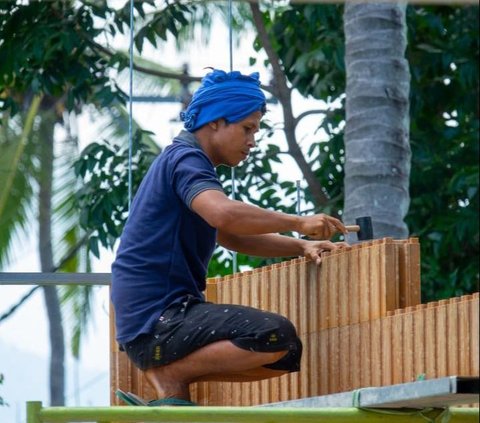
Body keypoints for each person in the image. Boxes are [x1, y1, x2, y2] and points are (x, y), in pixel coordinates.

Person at [111, 69, 348, 406]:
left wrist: (301, 245)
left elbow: (229, 234)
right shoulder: (186, 159)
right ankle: (171, 375)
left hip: (153, 319)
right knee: (273, 335)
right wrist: (298, 221)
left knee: (285, 352)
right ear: (214, 123)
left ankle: (174, 380)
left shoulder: (189, 163)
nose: (252, 140)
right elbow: (223, 213)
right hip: (158, 319)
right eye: (247, 128)